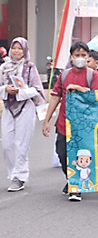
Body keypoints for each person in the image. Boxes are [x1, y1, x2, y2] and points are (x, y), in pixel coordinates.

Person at [42, 42, 98, 201]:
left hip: (84, 125)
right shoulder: (64, 75)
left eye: (83, 55)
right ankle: (71, 179)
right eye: (77, 55)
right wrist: (47, 120)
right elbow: (56, 97)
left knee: (81, 155)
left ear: (88, 57)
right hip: (64, 123)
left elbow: (96, 98)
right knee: (62, 153)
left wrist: (78, 89)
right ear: (71, 57)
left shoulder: (93, 75)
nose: (80, 58)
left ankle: (76, 187)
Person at [1, 38, 45, 192]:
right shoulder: (4, 67)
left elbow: (37, 89)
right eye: (14, 48)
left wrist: (20, 91)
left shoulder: (30, 68)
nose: (17, 51)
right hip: (8, 108)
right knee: (6, 145)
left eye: (20, 48)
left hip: (25, 107)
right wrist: (6, 89)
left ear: (25, 50)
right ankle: (13, 173)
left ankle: (19, 177)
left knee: (21, 144)